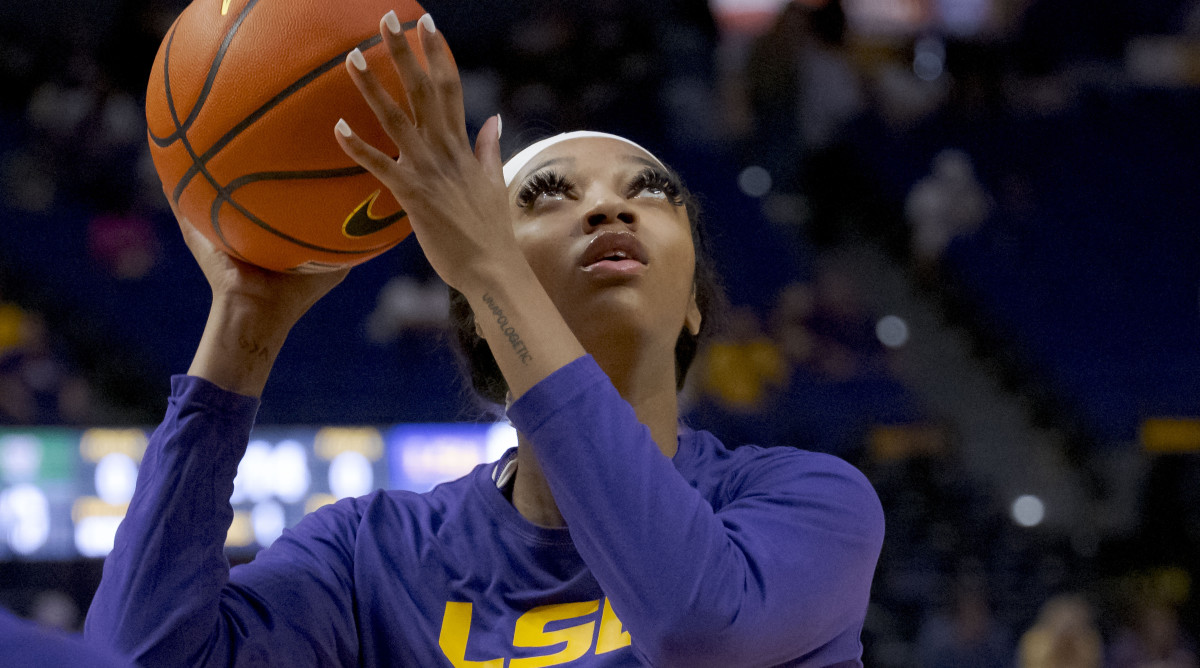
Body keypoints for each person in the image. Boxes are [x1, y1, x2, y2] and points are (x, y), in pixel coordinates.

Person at [85, 11, 884, 667]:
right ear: (468, 296)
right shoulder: (376, 555)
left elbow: (698, 629)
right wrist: (243, 327)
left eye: (652, 191)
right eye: (547, 195)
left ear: (694, 310)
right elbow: (137, 659)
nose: (611, 208)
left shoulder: (807, 502)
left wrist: (495, 271)